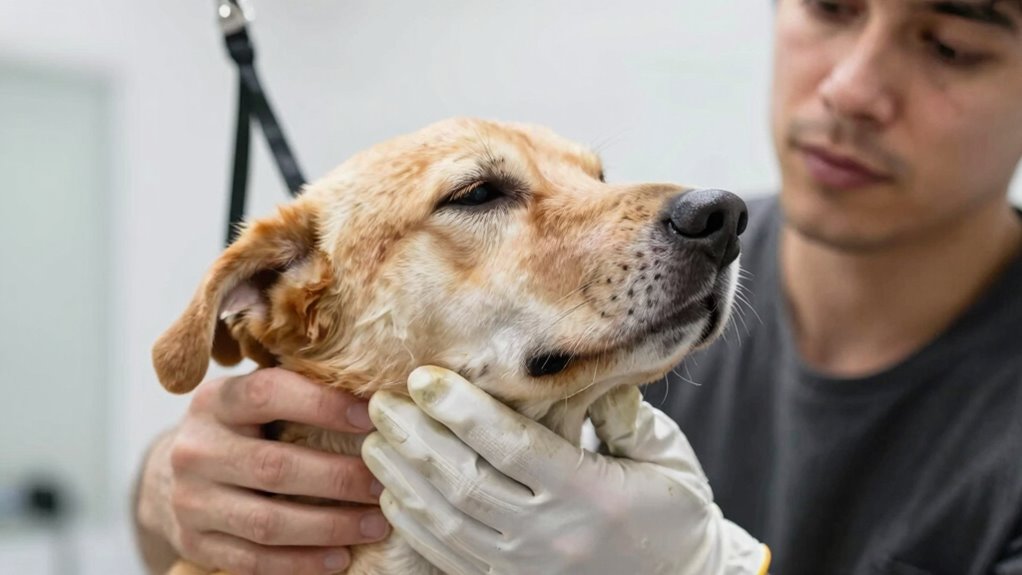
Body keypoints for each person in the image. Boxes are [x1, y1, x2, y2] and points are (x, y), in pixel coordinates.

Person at [133, 0, 1022, 573]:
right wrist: (180, 497)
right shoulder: (667, 292)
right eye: (831, 6)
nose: (852, 86)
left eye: (949, 43)